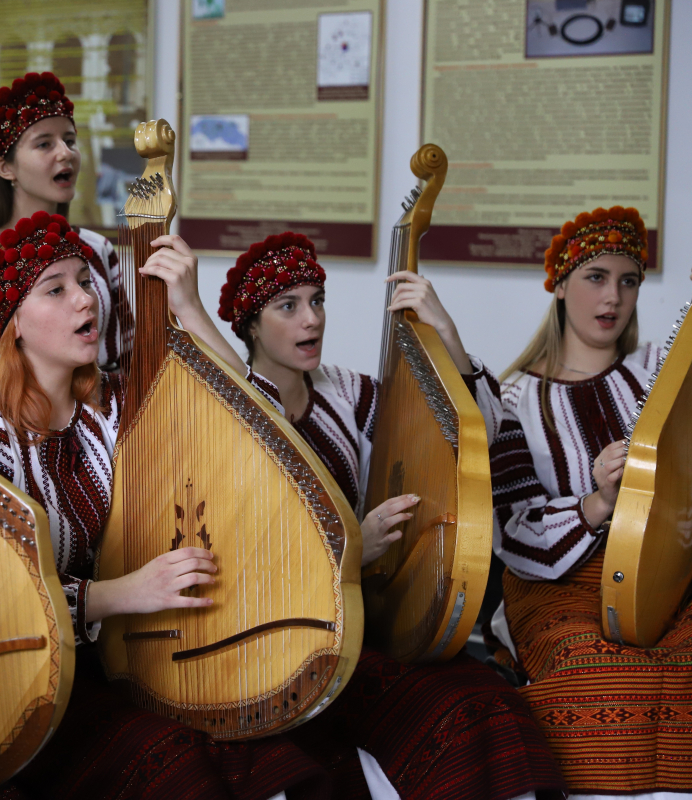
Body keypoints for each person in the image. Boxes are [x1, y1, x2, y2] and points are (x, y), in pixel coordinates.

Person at [0, 212, 333, 799]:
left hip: (115, 661)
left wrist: (190, 310)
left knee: (269, 751)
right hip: (19, 686)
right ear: (13, 323)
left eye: (84, 280)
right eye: (57, 288)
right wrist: (125, 594)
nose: (84, 299)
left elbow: (255, 414)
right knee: (175, 766)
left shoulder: (113, 404)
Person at [216, 232, 563, 800]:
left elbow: (472, 432)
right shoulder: (231, 407)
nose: (313, 320)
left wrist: (445, 333)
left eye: (317, 301)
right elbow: (241, 553)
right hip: (276, 640)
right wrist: (355, 543)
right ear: (251, 325)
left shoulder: (350, 392)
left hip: (366, 620)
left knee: (487, 699)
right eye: (289, 306)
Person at [488, 207, 692, 797]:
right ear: (559, 286)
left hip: (668, 575)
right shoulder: (512, 399)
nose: (613, 297)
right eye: (596, 277)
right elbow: (515, 529)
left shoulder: (660, 370)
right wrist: (597, 501)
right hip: (557, 585)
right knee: (599, 672)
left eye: (628, 281)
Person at [0, 71, 126, 424]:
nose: (66, 153)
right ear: (5, 167)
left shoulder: (97, 248)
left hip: (102, 437)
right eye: (44, 144)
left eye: (70, 140)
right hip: (12, 440)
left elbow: (129, 359)